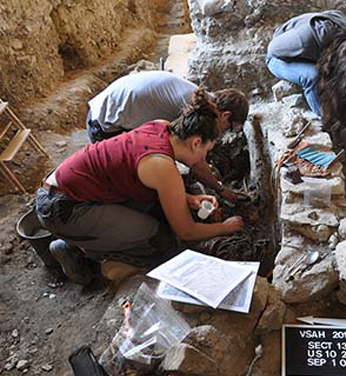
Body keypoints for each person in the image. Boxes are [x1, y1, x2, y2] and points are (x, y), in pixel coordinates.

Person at [36, 90, 244, 285]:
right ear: (196, 142)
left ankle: (83, 242)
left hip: (68, 190)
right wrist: (225, 228)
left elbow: (142, 178)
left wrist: (188, 198)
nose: (203, 158)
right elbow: (187, 231)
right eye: (206, 150)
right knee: (159, 242)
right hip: (64, 209)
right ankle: (86, 261)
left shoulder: (161, 126)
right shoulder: (162, 165)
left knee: (157, 214)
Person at [86, 71, 249, 201]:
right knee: (141, 190)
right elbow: (195, 162)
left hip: (110, 109)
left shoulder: (200, 100)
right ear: (226, 116)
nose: (223, 132)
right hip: (104, 125)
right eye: (229, 127)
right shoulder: (193, 110)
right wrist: (220, 189)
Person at [266, 10, 346, 147]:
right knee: (312, 76)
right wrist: (338, 124)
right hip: (280, 56)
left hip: (322, 51)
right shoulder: (303, 41)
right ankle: (330, 127)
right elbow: (272, 49)